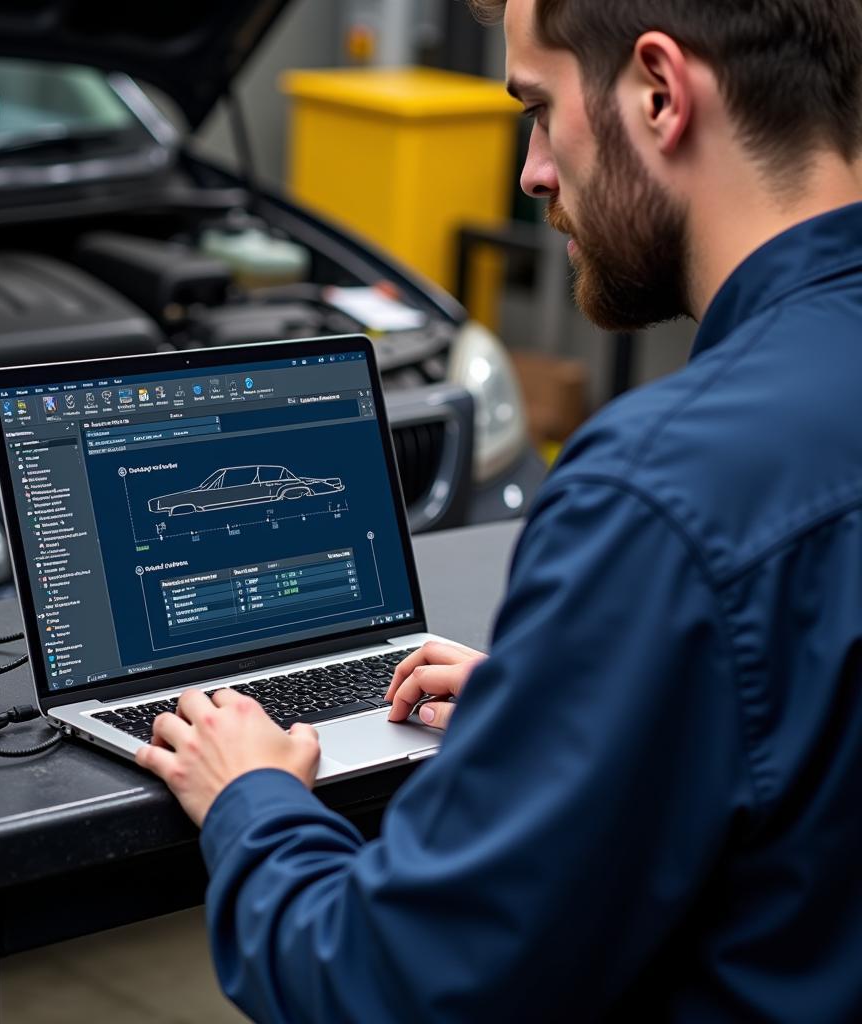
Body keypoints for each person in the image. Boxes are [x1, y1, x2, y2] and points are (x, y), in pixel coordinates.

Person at [136, 0, 862, 1018]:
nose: (532, 171)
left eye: (538, 106)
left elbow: (390, 984)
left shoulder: (659, 491)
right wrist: (567, 709)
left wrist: (253, 799)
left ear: (660, 93)